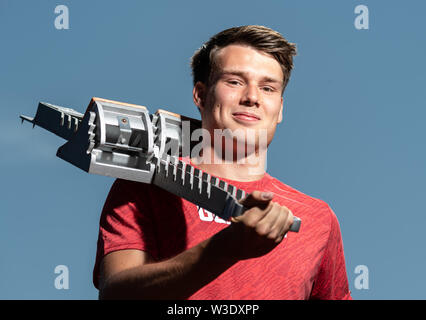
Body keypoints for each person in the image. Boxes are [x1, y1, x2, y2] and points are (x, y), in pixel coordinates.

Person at [93, 25, 352, 300]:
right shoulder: (148, 183)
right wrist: (223, 249)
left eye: (267, 87)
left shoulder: (318, 218)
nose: (252, 97)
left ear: (280, 109)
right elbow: (116, 295)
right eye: (234, 82)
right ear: (201, 95)